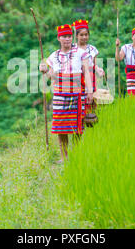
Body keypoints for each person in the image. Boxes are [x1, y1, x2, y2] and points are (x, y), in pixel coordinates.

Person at [39, 24, 93, 163]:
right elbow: (51, 75)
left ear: (72, 37)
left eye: (69, 36)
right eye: (64, 36)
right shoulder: (53, 56)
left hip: (77, 94)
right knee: (61, 127)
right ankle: (64, 157)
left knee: (77, 126)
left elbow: (86, 71)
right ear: (59, 38)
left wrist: (89, 90)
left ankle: (77, 154)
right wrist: (44, 70)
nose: (67, 39)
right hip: (60, 95)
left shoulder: (81, 53)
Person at [72, 19, 105, 114]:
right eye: (81, 35)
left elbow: (94, 64)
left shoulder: (92, 49)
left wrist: (98, 69)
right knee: (78, 101)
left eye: (86, 34)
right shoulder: (72, 49)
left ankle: (90, 121)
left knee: (91, 100)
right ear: (76, 36)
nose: (84, 37)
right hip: (77, 79)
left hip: (90, 78)